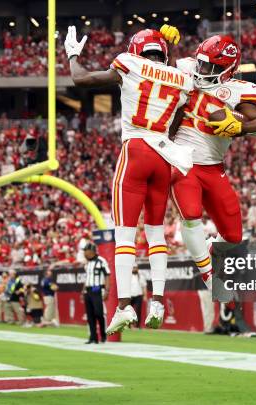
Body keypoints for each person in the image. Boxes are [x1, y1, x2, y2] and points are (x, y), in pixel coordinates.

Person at [65, 25, 193, 333]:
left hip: (135, 150)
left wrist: (72, 55)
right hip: (163, 154)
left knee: (124, 236)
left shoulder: (129, 63)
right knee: (156, 234)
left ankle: (124, 307)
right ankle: (158, 300)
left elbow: (80, 79)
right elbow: (176, 116)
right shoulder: (182, 77)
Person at [160, 28, 256, 290]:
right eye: (201, 62)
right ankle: (209, 276)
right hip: (182, 160)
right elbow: (153, 69)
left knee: (234, 236)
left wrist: (239, 126)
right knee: (190, 215)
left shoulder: (236, 90)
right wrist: (162, 42)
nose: (202, 68)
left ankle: (209, 248)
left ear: (228, 70)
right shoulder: (185, 67)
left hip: (213, 167)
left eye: (210, 66)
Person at [80, 242, 110, 343]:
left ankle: (103, 335)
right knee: (90, 315)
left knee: (98, 313)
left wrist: (107, 290)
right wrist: (82, 291)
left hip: (97, 289)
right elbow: (87, 278)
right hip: (88, 290)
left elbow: (107, 275)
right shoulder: (87, 263)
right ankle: (93, 337)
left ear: (91, 251)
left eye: (85, 250)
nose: (84, 253)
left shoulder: (101, 261)